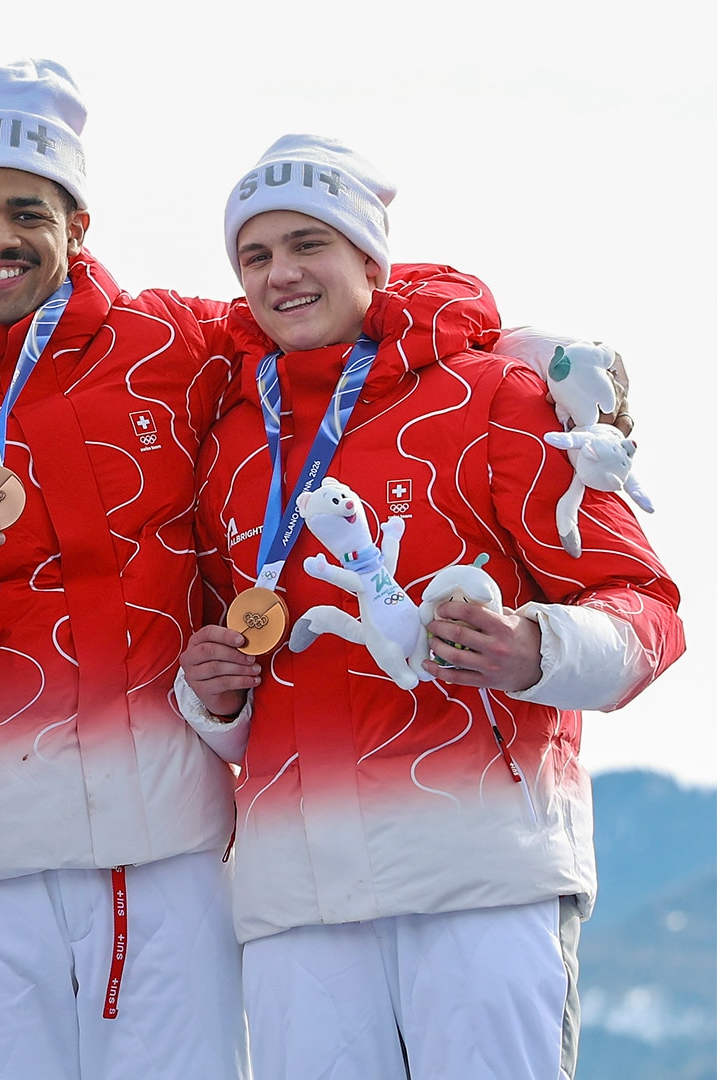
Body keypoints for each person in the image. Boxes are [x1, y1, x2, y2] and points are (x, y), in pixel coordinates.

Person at [0, 62, 509, 1080]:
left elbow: (344, 330)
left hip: (172, 847)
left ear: (76, 225)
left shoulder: (173, 343)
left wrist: (536, 355)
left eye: (28, 210)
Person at [178, 134, 684, 1080]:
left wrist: (536, 646)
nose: (281, 273)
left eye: (307, 244)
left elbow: (649, 606)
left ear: (371, 259)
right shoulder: (234, 441)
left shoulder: (496, 395)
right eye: (255, 255)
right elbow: (233, 659)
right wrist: (214, 696)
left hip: (484, 868)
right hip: (298, 891)